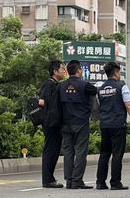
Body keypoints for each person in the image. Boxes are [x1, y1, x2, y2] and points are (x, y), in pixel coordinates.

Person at [96, 61, 130, 190]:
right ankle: (115, 182)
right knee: (117, 154)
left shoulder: (100, 89)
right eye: (120, 72)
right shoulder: (121, 86)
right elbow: (128, 105)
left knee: (104, 153)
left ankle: (100, 182)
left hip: (104, 124)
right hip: (118, 124)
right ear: (116, 73)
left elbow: (101, 106)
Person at [59, 59, 97, 189]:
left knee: (68, 152)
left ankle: (69, 180)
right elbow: (95, 92)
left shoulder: (61, 86)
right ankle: (77, 180)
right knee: (80, 151)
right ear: (79, 71)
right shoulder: (85, 85)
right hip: (81, 123)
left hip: (65, 123)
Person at [38, 60, 67, 188]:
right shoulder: (49, 84)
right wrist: (52, 111)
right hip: (50, 123)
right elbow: (41, 102)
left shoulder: (55, 84)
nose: (64, 70)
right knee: (50, 150)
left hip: (54, 123)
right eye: (62, 68)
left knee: (54, 150)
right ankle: (47, 180)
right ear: (55, 72)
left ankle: (49, 178)